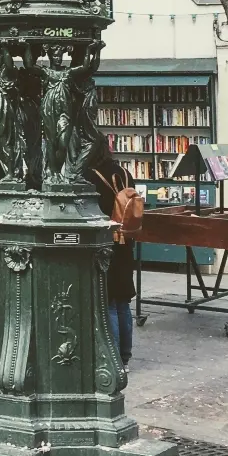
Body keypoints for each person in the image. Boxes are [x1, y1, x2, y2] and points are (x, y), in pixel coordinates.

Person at [85, 141, 136, 367]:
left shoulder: (90, 176)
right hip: (126, 240)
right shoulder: (124, 172)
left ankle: (113, 358)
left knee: (109, 302)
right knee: (123, 302)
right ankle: (125, 356)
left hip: (106, 242)